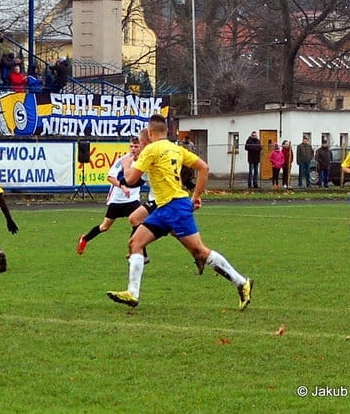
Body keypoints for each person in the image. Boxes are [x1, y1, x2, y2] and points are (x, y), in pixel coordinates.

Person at [106, 114, 253, 310]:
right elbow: (204, 168)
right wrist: (196, 196)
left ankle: (242, 283)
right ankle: (132, 293)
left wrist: (126, 166)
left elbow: (131, 180)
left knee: (200, 252)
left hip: (174, 207)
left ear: (150, 133)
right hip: (165, 207)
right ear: (166, 132)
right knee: (135, 242)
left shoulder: (150, 149)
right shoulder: (176, 148)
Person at [77, 137, 148, 261]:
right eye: (131, 146)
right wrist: (123, 187)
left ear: (141, 147)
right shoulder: (123, 160)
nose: (133, 149)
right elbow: (110, 177)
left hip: (133, 199)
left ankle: (136, 250)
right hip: (117, 199)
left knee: (138, 222)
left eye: (136, 147)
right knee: (104, 227)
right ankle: (85, 239)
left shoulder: (144, 161)